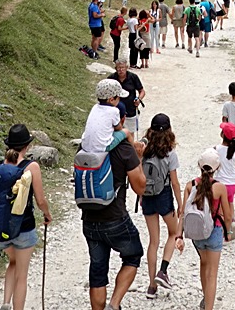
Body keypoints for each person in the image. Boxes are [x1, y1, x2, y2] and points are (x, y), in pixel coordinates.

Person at [80, 85, 148, 310]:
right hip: (115, 218)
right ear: (121, 118)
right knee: (133, 255)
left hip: (89, 218)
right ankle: (114, 304)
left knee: (97, 270)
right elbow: (140, 188)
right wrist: (137, 158)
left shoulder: (87, 147)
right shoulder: (124, 150)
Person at [0, 124, 52, 310]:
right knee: (22, 273)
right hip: (24, 228)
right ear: (27, 146)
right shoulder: (31, 166)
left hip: (0, 228)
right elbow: (40, 199)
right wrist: (47, 215)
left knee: (12, 262)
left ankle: (5, 303)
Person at [183, 149, 235, 310]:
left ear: (199, 165)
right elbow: (227, 215)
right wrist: (228, 232)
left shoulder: (190, 185)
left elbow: (182, 212)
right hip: (214, 231)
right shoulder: (219, 188)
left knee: (203, 264)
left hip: (197, 233)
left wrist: (179, 235)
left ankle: (206, 298)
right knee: (212, 273)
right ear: (217, 167)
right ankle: (209, 307)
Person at [140, 112, 183, 299]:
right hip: (164, 195)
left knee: (153, 241)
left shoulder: (143, 150)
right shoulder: (170, 153)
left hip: (147, 197)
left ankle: (151, 287)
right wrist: (180, 203)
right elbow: (174, 182)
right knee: (173, 233)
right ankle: (163, 271)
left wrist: (141, 195)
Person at [83, 79, 127, 154]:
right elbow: (118, 128)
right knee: (127, 132)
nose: (119, 100)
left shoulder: (95, 107)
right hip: (102, 147)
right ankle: (134, 153)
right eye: (119, 98)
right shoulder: (114, 110)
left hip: (85, 146)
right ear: (111, 99)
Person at [111, 58, 146, 136]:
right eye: (118, 68)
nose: (121, 70)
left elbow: (142, 91)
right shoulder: (111, 78)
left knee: (130, 134)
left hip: (130, 110)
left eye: (123, 67)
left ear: (126, 68)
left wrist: (139, 99)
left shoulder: (133, 77)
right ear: (116, 68)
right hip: (115, 112)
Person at [213, 121, 235, 203]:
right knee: (230, 203)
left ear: (222, 135)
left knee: (220, 207)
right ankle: (231, 216)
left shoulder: (216, 149)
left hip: (220, 183)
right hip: (233, 183)